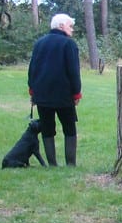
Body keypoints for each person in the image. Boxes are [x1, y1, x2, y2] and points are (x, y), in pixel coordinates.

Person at [28, 13, 82, 167]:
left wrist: (32, 91)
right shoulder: (68, 44)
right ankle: (70, 163)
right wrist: (76, 92)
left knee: (47, 128)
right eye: (70, 26)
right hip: (63, 95)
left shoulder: (39, 43)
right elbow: (73, 71)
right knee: (69, 127)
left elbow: (32, 69)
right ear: (61, 26)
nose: (72, 30)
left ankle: (52, 164)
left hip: (42, 94)